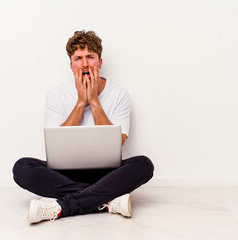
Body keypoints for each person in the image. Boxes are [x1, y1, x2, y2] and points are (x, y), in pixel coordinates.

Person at [12, 30, 154, 224]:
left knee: (143, 165)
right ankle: (106, 201)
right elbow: (57, 144)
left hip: (106, 174)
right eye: (78, 58)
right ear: (71, 65)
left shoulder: (119, 94)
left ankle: (61, 207)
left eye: (90, 57)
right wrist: (80, 102)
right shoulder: (56, 94)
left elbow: (118, 142)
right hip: (65, 173)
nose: (85, 63)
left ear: (100, 62)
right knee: (22, 168)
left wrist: (94, 101)